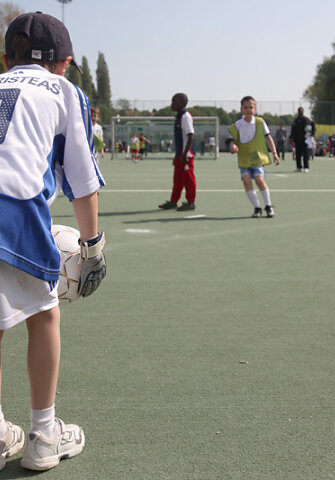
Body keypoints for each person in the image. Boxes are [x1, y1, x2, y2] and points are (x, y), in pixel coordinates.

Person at [0, 11, 106, 471]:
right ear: (62, 63)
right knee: (45, 313)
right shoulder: (64, 92)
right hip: (13, 208)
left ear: (8, 59)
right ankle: (44, 435)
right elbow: (83, 182)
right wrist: (92, 248)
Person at [228, 96, 280, 218]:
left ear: (255, 109)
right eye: (245, 107)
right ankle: (257, 207)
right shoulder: (237, 125)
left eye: (250, 107)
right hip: (244, 159)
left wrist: (275, 153)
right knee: (246, 180)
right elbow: (231, 141)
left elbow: (268, 137)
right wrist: (233, 146)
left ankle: (268, 206)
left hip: (257, 157)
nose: (248, 110)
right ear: (241, 109)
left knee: (259, 179)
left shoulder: (260, 122)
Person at [158, 93, 196, 211]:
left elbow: (190, 136)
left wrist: (184, 154)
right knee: (177, 180)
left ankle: (191, 202)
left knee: (188, 179)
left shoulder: (185, 117)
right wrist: (178, 155)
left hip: (186, 156)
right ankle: (173, 201)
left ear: (182, 103)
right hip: (180, 155)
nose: (172, 104)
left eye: (174, 102)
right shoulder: (179, 117)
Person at [290, 107, 315, 172]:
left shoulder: (306, 119)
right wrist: (292, 137)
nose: (300, 112)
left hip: (304, 140)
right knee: (298, 154)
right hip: (297, 140)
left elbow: (310, 128)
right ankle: (299, 167)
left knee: (305, 154)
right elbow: (293, 129)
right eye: (299, 111)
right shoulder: (295, 120)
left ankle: (306, 167)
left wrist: (308, 136)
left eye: (301, 111)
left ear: (303, 111)